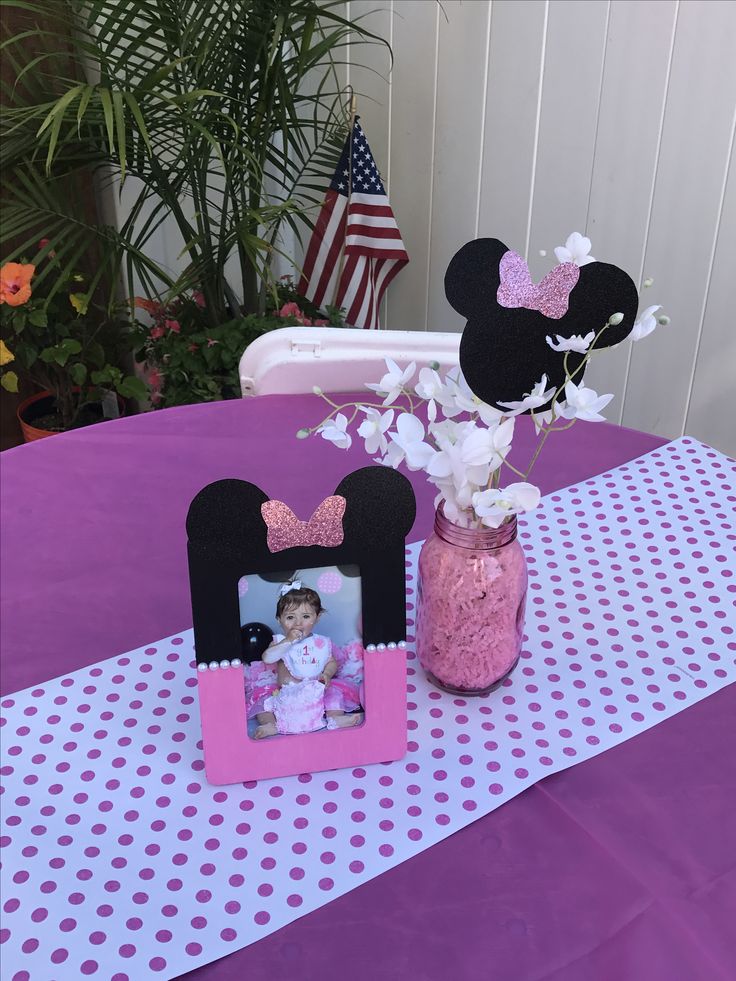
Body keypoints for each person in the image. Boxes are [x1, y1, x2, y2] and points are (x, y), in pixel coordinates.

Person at [253, 581, 362, 738]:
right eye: (290, 617)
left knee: (334, 696)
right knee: (264, 704)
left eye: (305, 616)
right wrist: (288, 641)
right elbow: (268, 658)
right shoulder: (279, 641)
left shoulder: (321, 643)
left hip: (316, 689)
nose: (298, 623)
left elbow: (331, 662)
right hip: (286, 692)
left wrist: (327, 674)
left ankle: (335, 717)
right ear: (279, 620)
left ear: (317, 617)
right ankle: (270, 724)